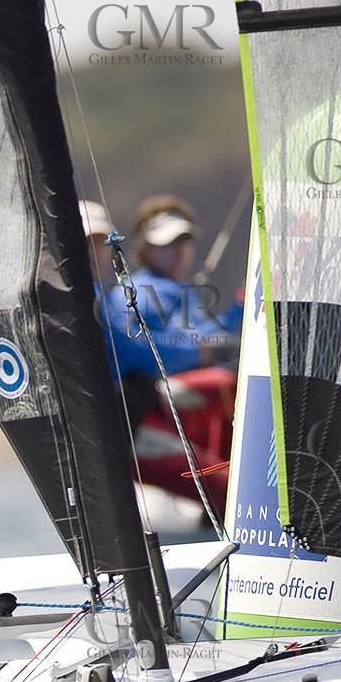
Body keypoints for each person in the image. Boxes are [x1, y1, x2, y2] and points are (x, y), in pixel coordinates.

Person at [97, 196, 240, 513]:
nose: (178, 250)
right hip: (140, 415)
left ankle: (226, 481)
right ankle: (227, 497)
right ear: (144, 248)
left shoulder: (181, 292)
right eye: (166, 243)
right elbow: (137, 352)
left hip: (168, 404)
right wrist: (203, 350)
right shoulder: (132, 293)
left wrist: (243, 306)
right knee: (226, 383)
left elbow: (210, 338)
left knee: (231, 385)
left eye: (183, 241)